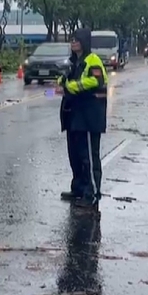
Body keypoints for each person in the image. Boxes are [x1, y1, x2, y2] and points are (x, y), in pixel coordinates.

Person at [57, 28, 108, 208]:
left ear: (84, 42)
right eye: (71, 39)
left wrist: (71, 86)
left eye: (77, 39)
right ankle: (78, 188)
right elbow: (62, 83)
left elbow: (96, 81)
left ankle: (92, 192)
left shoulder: (92, 60)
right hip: (73, 116)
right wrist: (60, 83)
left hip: (89, 116)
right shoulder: (73, 62)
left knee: (89, 157)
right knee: (75, 156)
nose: (73, 42)